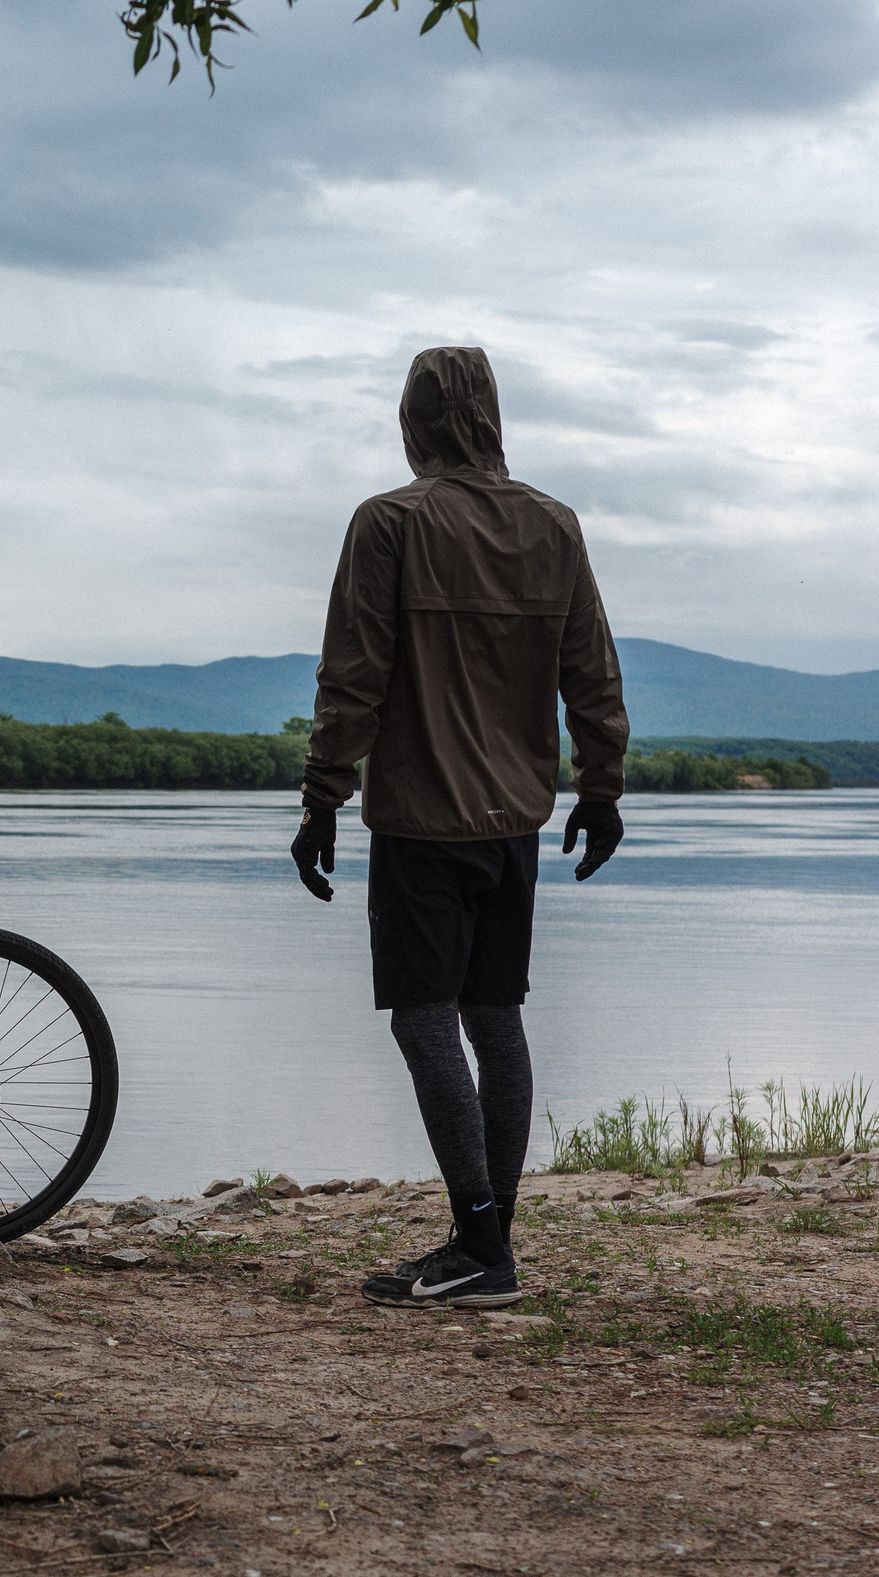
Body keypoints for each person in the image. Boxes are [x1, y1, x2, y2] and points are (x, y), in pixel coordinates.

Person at [291, 346, 630, 1310]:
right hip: (514, 822)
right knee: (495, 1016)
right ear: (488, 415)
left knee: (425, 1018)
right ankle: (486, 1239)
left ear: (415, 422)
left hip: (419, 820)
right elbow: (593, 675)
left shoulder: (390, 522)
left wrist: (323, 795)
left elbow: (352, 674)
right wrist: (599, 790)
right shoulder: (554, 526)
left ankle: (483, 1243)